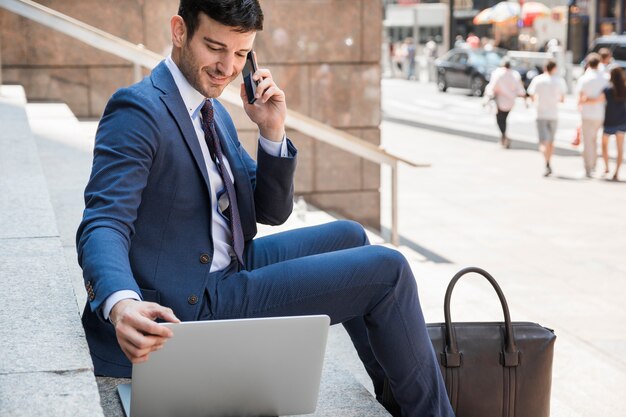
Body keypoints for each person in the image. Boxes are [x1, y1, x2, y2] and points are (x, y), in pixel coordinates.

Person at [75, 1, 454, 416]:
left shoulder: (212, 110)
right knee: (388, 269)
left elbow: (269, 211)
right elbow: (104, 220)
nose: (228, 67)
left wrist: (272, 131)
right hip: (189, 302)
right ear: (179, 31)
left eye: (241, 54)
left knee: (350, 236)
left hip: (229, 262)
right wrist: (121, 302)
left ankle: (397, 399)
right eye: (216, 48)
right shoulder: (139, 110)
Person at [582, 66, 626, 181]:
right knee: (620, 148)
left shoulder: (607, 90)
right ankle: (616, 172)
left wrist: (585, 99)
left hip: (609, 121)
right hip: (622, 121)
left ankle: (607, 167)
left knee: (604, 146)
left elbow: (597, 100)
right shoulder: (624, 89)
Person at [527, 60, 567, 176]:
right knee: (551, 141)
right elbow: (563, 99)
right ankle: (548, 161)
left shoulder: (538, 80)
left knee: (542, 142)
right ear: (554, 68)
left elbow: (532, 95)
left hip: (541, 114)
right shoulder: (559, 81)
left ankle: (546, 162)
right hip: (554, 114)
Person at [576, 53, 608, 177]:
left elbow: (580, 98)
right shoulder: (605, 77)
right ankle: (594, 165)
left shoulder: (584, 78)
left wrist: (589, 100)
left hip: (587, 113)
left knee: (587, 141)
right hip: (601, 113)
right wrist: (598, 100)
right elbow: (607, 96)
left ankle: (588, 168)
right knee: (595, 140)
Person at [485, 59, 526, 148]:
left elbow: (492, 86)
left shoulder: (498, 73)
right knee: (504, 119)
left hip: (500, 100)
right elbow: (520, 89)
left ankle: (504, 136)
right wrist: (524, 97)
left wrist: (489, 94)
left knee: (500, 119)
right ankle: (503, 137)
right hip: (511, 101)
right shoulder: (515, 74)